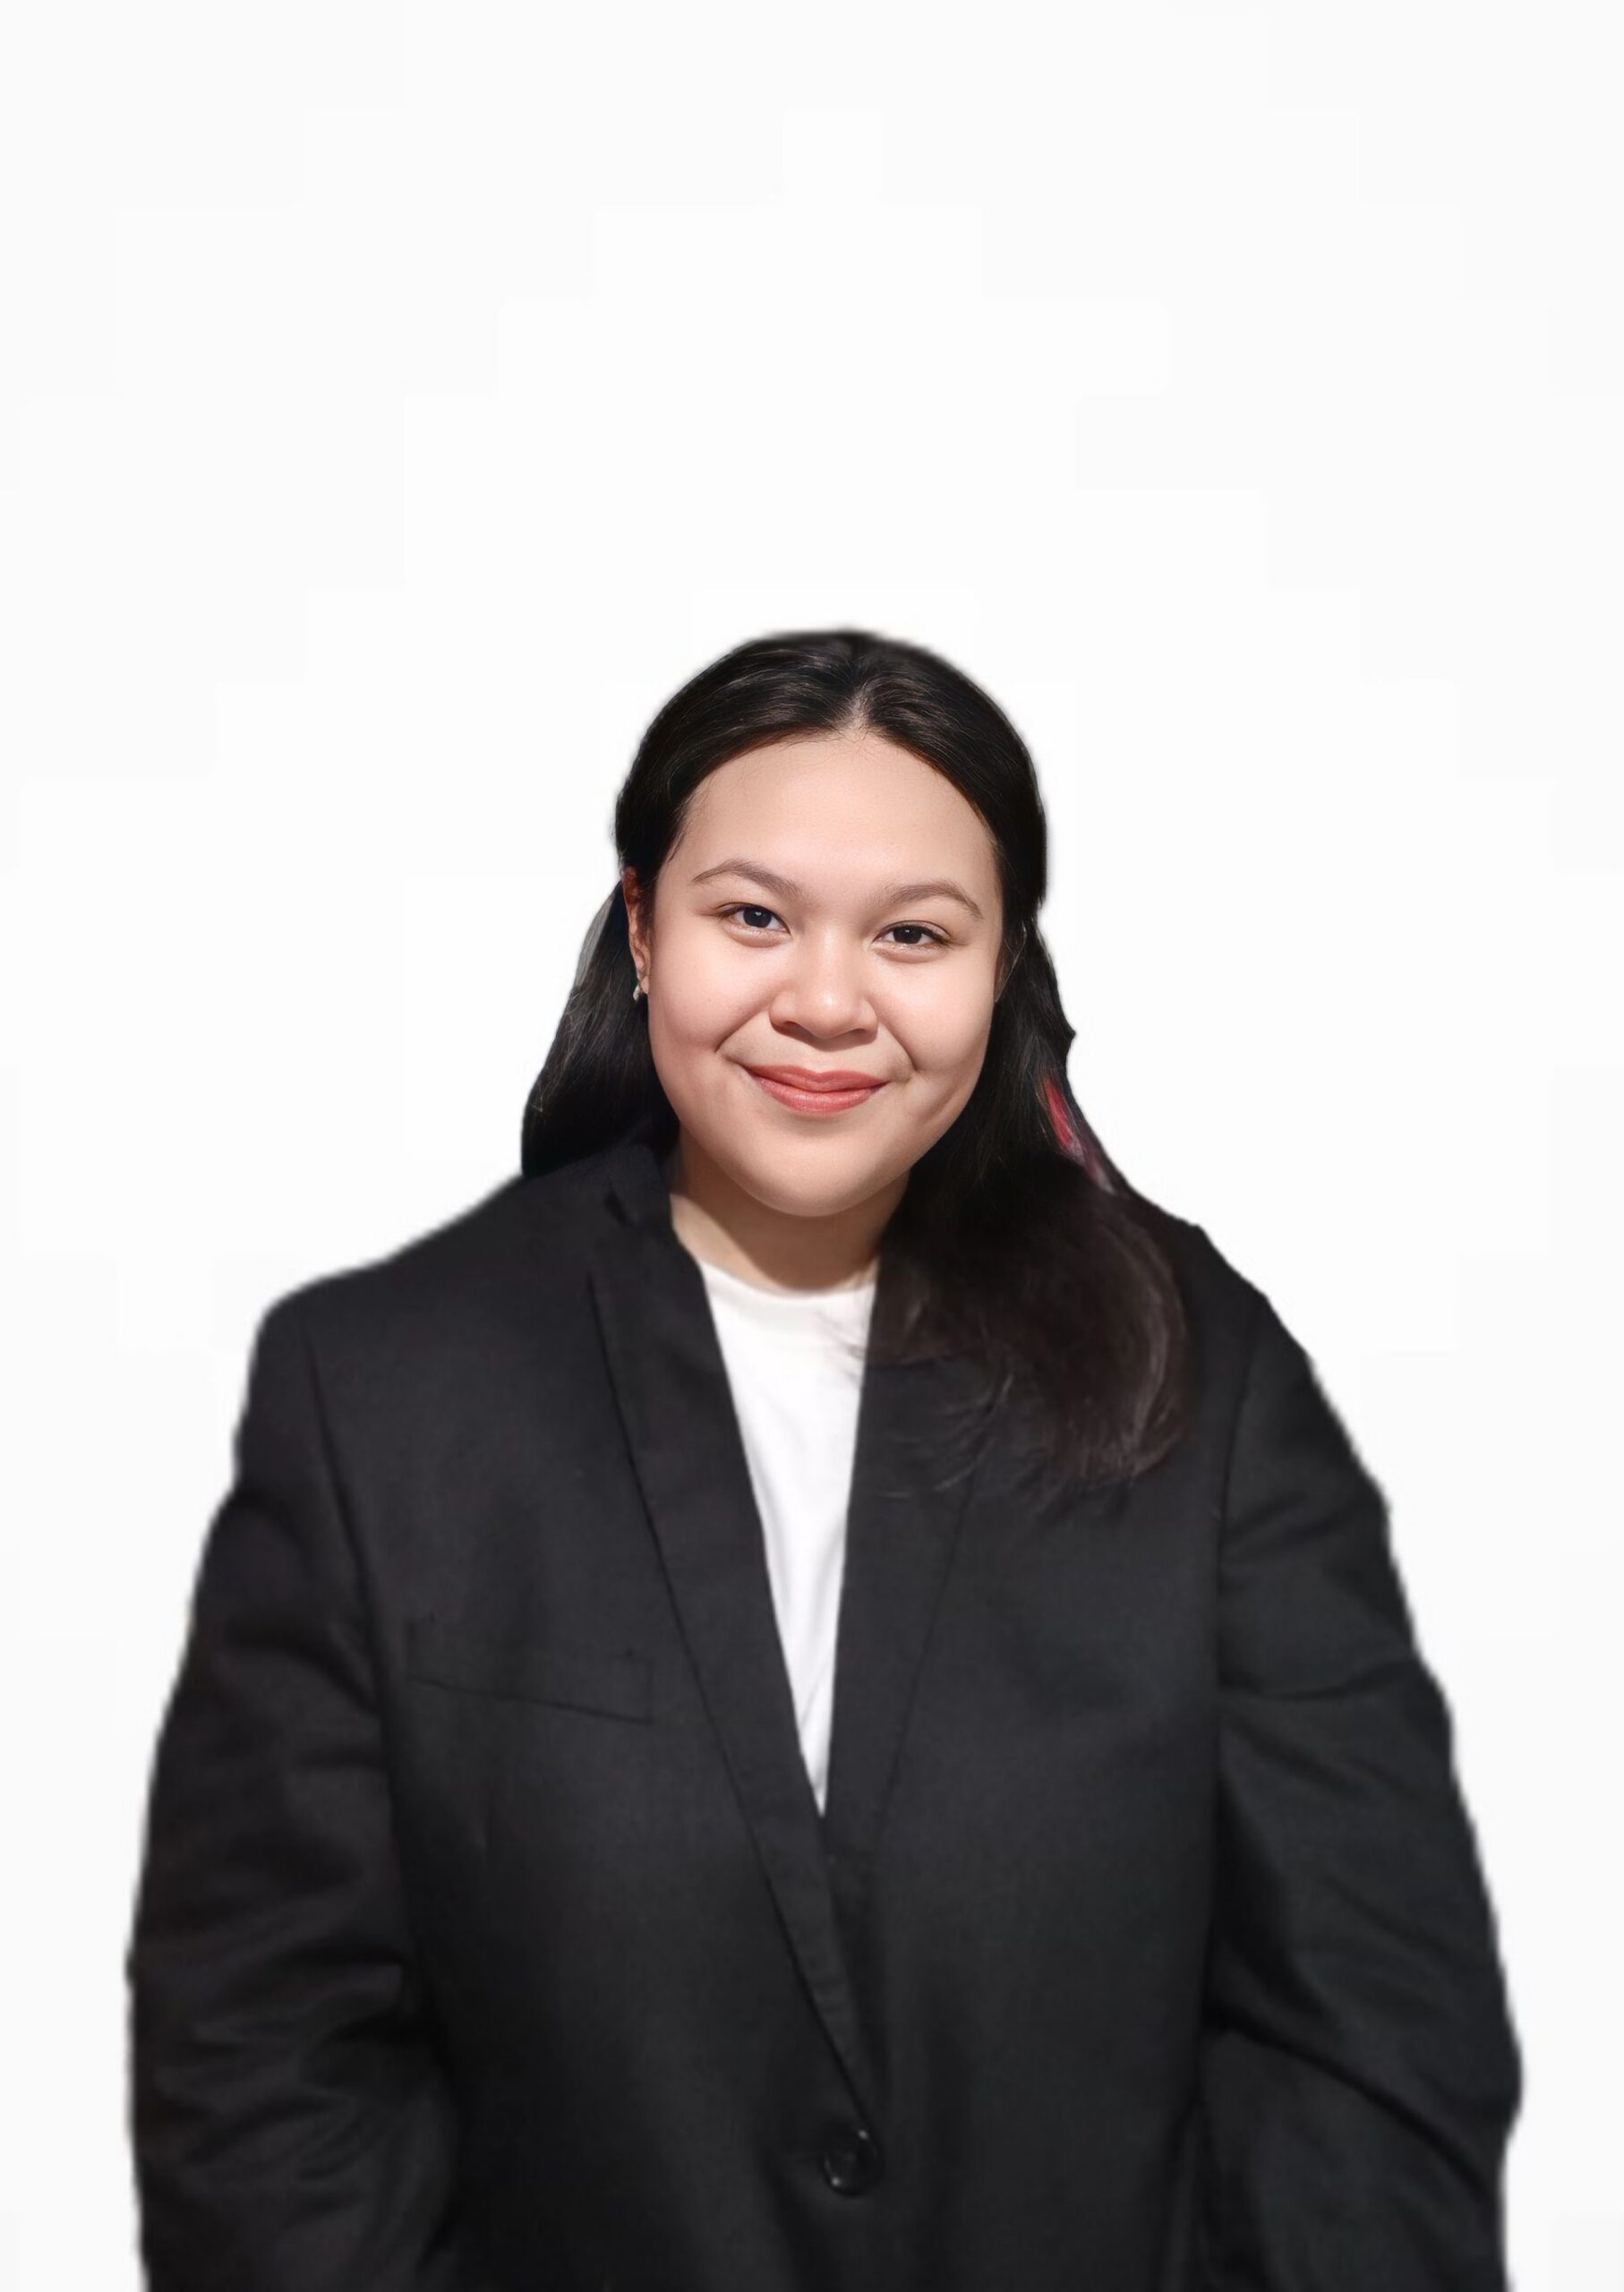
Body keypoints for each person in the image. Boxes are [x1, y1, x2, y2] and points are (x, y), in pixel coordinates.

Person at [124, 628, 1523, 2291]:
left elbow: (1371, 2039)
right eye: (752, 917)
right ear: (642, 928)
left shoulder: (1196, 1371)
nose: (825, 1001)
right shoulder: (385, 1392)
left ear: (1001, 967)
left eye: (913, 933)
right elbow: (263, 2058)